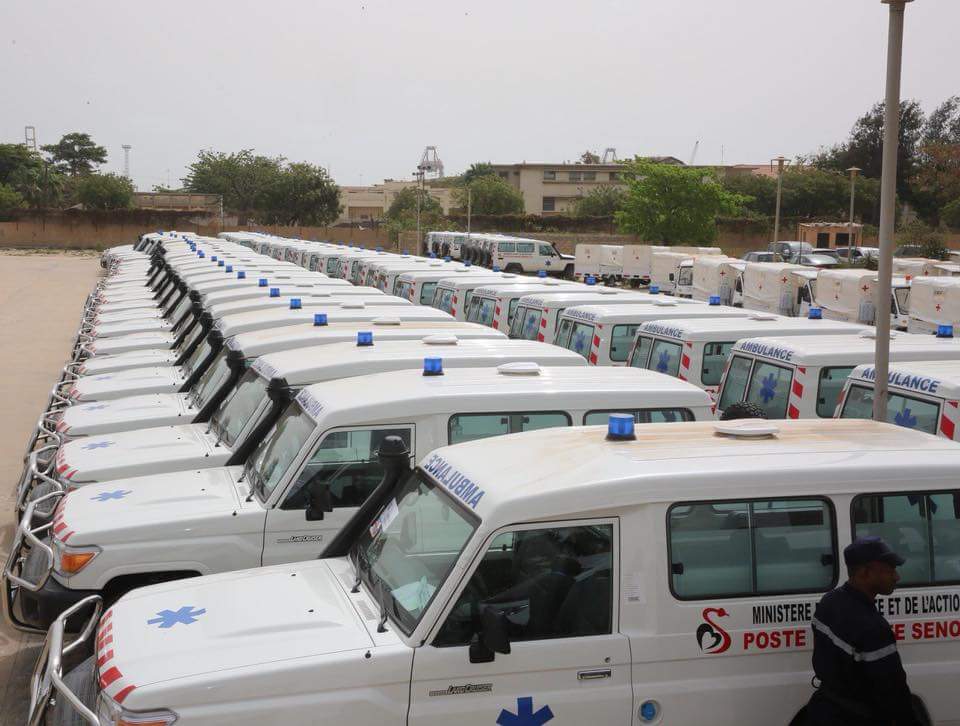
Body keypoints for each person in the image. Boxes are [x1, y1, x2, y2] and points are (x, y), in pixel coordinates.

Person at [805, 536, 921, 725]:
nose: (896, 576)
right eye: (889, 570)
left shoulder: (829, 602)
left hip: (823, 711)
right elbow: (893, 693)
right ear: (866, 572)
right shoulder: (873, 628)